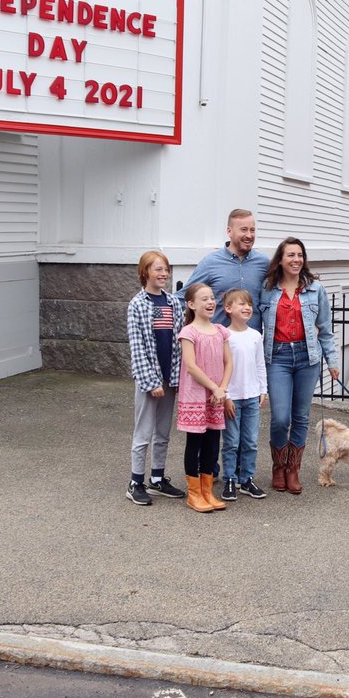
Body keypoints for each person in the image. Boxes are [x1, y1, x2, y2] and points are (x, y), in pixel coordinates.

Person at [260, 237, 340, 495]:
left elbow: (325, 330)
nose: (296, 260)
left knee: (301, 417)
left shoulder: (316, 289)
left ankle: (293, 469)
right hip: (278, 358)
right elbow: (253, 325)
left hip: (308, 358)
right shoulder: (267, 288)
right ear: (280, 260)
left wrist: (332, 362)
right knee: (281, 417)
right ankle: (278, 466)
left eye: (299, 255)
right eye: (290, 255)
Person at [124, 250, 187, 506]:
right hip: (150, 381)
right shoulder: (137, 305)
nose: (163, 274)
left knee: (163, 432)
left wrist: (177, 379)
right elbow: (137, 347)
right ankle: (135, 482)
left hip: (170, 379)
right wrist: (151, 383)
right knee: (143, 433)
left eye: (165, 269)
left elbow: (180, 342)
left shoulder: (173, 303)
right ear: (145, 272)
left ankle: (158, 478)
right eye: (157, 269)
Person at [177, 282, 233, 513]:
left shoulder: (221, 331)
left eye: (212, 298)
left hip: (216, 396)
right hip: (196, 395)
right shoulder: (188, 332)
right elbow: (191, 366)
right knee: (195, 443)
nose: (211, 302)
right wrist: (214, 388)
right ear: (191, 304)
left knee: (212, 442)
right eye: (204, 299)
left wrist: (222, 389)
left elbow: (228, 362)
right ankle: (194, 493)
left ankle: (208, 490)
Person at [219, 289, 268, 502]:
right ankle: (229, 478)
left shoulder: (256, 335)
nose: (247, 308)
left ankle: (246, 478)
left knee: (250, 441)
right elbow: (220, 368)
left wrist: (263, 390)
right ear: (228, 309)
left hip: (251, 395)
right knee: (231, 441)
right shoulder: (223, 336)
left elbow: (260, 365)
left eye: (249, 304)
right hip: (232, 397)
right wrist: (226, 395)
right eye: (241, 304)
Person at [185, 209, 269, 330]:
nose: (249, 235)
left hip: (251, 342)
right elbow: (185, 296)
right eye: (244, 229)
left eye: (252, 230)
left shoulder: (264, 263)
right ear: (229, 231)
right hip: (218, 341)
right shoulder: (210, 263)